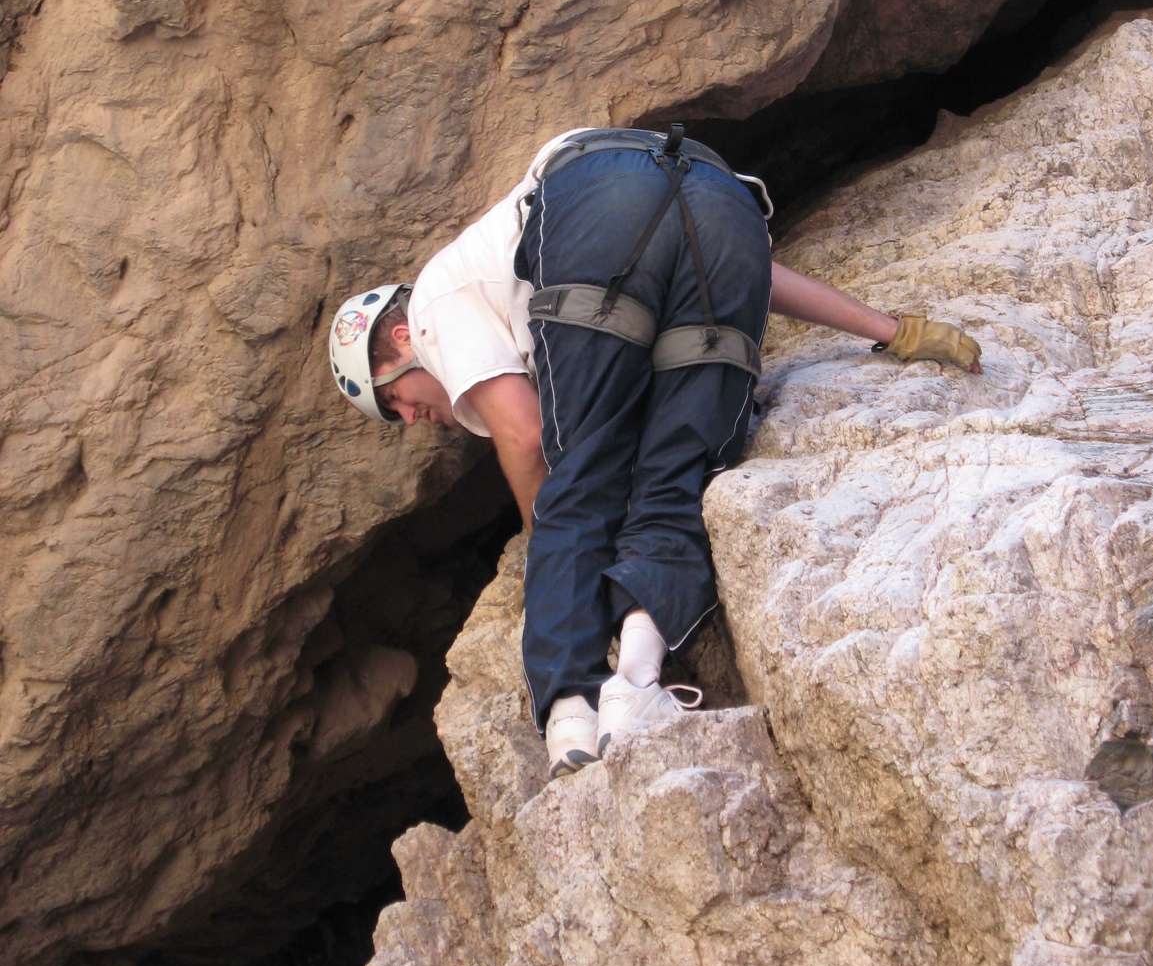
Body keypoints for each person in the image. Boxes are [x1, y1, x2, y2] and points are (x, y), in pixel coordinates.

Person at [328, 126, 981, 778]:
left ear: (401, 337)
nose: (411, 418)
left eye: (394, 399)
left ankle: (571, 716)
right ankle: (635, 685)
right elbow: (740, 265)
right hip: (720, 201)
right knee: (678, 473)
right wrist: (892, 330)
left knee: (581, 471)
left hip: (594, 199)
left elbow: (525, 436)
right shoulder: (501, 274)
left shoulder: (435, 303)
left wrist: (544, 538)